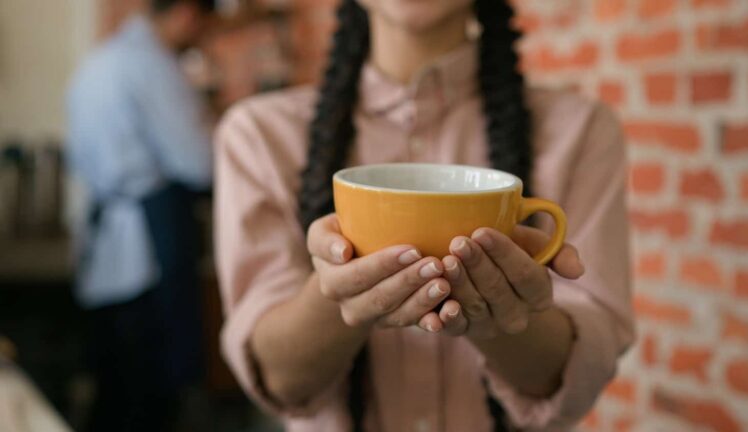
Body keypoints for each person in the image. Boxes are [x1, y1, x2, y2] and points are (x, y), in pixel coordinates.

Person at [215, 0, 635, 430]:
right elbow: (278, 378)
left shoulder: (581, 130)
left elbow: (582, 366)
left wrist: (505, 317)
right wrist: (336, 292)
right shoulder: (258, 135)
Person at [66, 0, 214, 430]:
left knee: (111, 380)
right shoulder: (153, 65)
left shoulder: (100, 58)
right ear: (187, 13)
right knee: (151, 387)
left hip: (104, 236)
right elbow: (198, 161)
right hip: (149, 239)